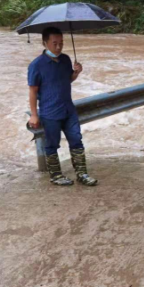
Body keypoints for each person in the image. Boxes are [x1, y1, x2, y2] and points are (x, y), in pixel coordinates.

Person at [27, 27, 98, 186]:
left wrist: (76, 73)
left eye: (61, 43)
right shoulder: (36, 65)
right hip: (50, 112)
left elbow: (67, 80)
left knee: (76, 140)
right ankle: (56, 176)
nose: (58, 47)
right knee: (52, 144)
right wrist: (34, 114)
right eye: (54, 43)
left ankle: (82, 174)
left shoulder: (65, 59)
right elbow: (32, 91)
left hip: (68, 109)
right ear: (45, 43)